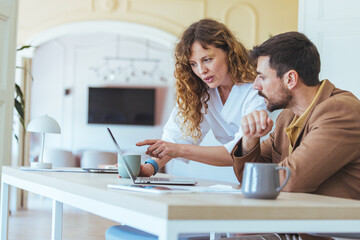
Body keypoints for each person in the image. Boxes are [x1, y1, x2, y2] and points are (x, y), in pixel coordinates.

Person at [231, 32, 360, 239]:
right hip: (295, 225)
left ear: (290, 78)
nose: (255, 85)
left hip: (331, 233)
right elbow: (251, 178)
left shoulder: (340, 111)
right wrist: (249, 138)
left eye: (262, 77)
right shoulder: (286, 117)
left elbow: (290, 181)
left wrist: (260, 177)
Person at [136, 19, 267, 177]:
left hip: (271, 170)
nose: (201, 70)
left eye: (207, 60)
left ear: (229, 52)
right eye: (193, 64)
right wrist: (148, 168)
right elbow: (176, 138)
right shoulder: (202, 91)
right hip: (243, 173)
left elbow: (237, 152)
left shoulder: (257, 88)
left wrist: (178, 150)